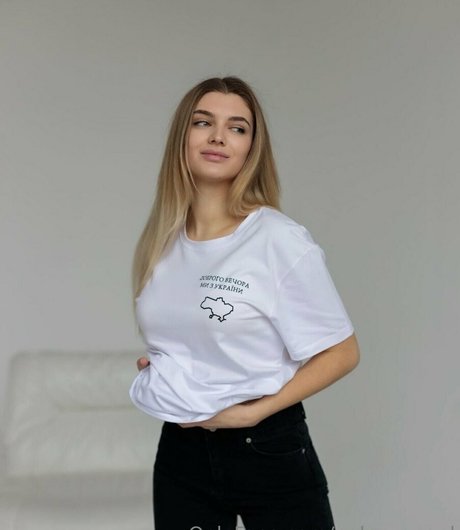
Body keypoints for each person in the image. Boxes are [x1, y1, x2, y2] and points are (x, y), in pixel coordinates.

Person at [129, 76, 360, 530]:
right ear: (183, 136)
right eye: (203, 122)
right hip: (182, 449)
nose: (218, 137)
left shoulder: (277, 239)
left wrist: (255, 412)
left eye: (237, 128)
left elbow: (343, 351)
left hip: (267, 448)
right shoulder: (163, 242)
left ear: (251, 148)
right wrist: (164, 370)